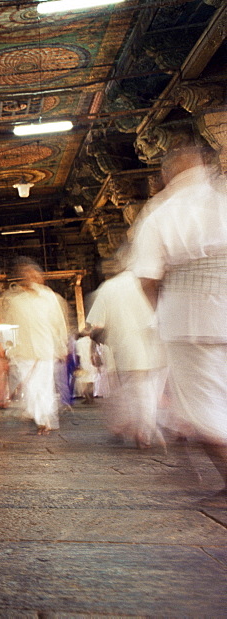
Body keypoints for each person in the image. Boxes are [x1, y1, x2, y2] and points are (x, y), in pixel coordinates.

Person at [131, 146, 227, 501]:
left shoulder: (161, 212)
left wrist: (160, 311)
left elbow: (147, 277)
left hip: (191, 317)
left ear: (167, 175)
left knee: (204, 405)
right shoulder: (223, 195)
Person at [85, 255, 165, 449]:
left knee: (134, 392)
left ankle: (138, 430)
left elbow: (96, 326)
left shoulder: (108, 288)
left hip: (125, 352)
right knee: (148, 392)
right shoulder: (150, 283)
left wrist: (94, 346)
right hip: (157, 350)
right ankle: (143, 430)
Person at [0, 257, 68, 435]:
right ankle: (37, 415)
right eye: (26, 274)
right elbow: (7, 325)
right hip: (23, 351)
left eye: (34, 273)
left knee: (44, 386)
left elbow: (58, 323)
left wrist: (62, 346)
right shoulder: (14, 300)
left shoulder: (49, 297)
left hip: (45, 348)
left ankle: (44, 421)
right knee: (31, 387)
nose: (32, 277)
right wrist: (6, 348)